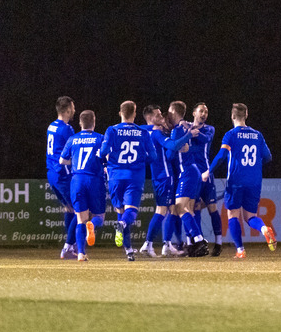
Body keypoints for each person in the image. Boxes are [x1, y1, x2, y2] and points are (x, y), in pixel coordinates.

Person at [202, 103, 276, 259]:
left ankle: (240, 250)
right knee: (250, 216)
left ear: (232, 116)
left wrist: (209, 171)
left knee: (233, 214)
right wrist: (254, 167)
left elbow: (221, 156)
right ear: (246, 115)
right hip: (254, 181)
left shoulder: (231, 135)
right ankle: (264, 229)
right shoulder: (258, 135)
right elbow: (268, 156)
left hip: (236, 180)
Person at [100, 101, 155, 261]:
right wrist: (140, 161)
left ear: (120, 113)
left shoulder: (112, 130)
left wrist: (108, 159)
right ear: (134, 114)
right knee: (130, 212)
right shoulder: (142, 132)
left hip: (115, 176)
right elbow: (153, 156)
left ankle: (129, 250)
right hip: (134, 176)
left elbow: (103, 152)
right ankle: (124, 231)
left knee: (121, 213)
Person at [139, 105, 191, 257]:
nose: (161, 117)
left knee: (172, 209)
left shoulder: (143, 131)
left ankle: (167, 244)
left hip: (156, 175)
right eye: (158, 115)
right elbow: (172, 146)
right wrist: (188, 135)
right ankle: (148, 244)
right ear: (150, 118)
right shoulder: (156, 133)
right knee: (162, 210)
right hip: (165, 175)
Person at [59, 110, 106, 262]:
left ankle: (80, 253)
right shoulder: (100, 138)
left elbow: (62, 160)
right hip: (94, 180)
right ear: (94, 122)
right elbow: (107, 157)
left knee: (80, 219)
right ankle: (92, 224)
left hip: (77, 180)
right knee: (99, 217)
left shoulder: (73, 139)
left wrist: (75, 163)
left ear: (80, 123)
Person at [167, 100, 209, 257]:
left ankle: (199, 240)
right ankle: (192, 244)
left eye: (169, 111)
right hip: (194, 171)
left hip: (187, 172)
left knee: (180, 207)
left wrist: (170, 146)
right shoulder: (189, 128)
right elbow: (202, 142)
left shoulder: (178, 130)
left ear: (173, 112)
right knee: (189, 209)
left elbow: (170, 154)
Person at [190, 102, 223, 256]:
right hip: (192, 175)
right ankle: (199, 243)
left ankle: (219, 243)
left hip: (206, 173)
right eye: (201, 111)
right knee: (195, 207)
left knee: (212, 208)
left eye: (206, 112)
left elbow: (205, 139)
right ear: (194, 113)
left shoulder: (209, 129)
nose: (204, 114)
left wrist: (191, 131)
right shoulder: (186, 128)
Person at [47, 96, 78, 259]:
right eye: (72, 108)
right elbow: (74, 151)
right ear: (67, 110)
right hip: (63, 174)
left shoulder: (51, 126)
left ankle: (71, 246)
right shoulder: (67, 129)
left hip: (51, 174)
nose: (74, 110)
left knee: (69, 209)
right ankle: (68, 246)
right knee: (81, 210)